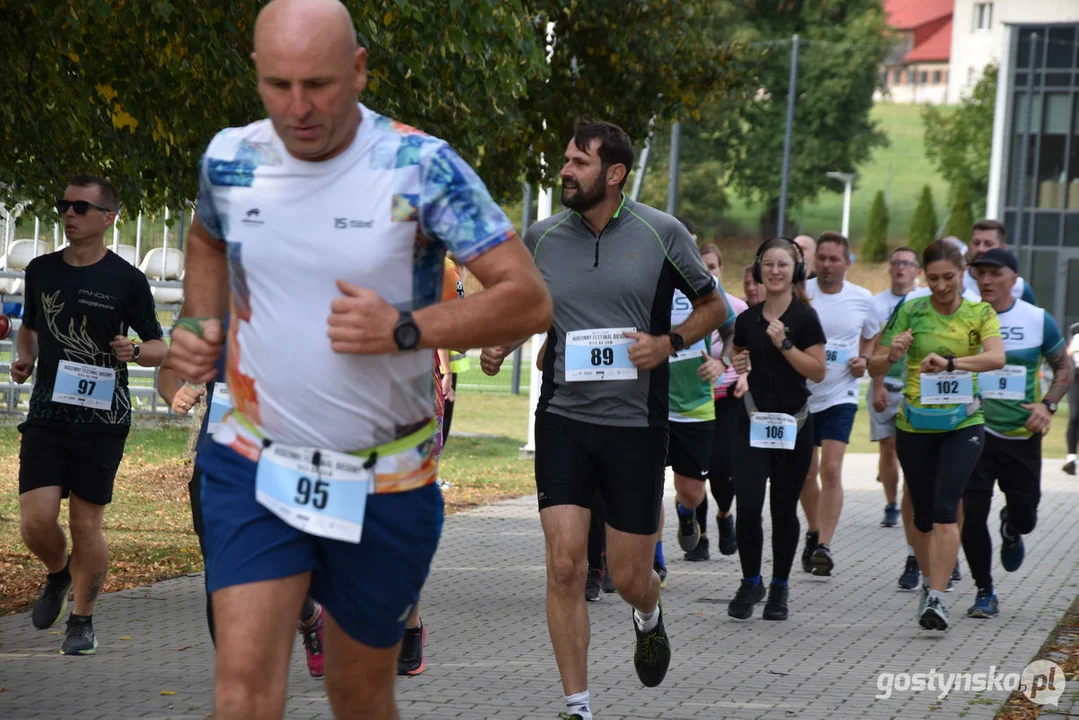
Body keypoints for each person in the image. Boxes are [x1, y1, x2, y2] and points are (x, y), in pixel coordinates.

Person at [164, 1, 552, 717]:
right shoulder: (232, 158)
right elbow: (207, 239)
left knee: (358, 694)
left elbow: (528, 300)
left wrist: (405, 327)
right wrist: (200, 316)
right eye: (278, 85)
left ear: (360, 69)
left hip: (385, 480)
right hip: (254, 461)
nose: (298, 107)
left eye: (319, 83)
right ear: (255, 74)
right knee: (243, 685)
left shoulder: (419, 167)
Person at [481, 121, 726, 719]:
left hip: (636, 425)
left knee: (628, 573)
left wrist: (668, 342)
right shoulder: (541, 237)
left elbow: (713, 303)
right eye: (565, 160)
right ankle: (578, 704)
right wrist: (505, 343)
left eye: (579, 163)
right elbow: (531, 308)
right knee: (565, 562)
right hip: (563, 416)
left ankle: (648, 613)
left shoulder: (661, 232)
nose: (565, 170)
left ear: (614, 174)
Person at [14, 175, 167, 655]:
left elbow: (159, 347)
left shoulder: (127, 279)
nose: (69, 214)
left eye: (81, 207)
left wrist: (136, 349)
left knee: (86, 525)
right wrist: (26, 357)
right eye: (65, 205)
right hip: (47, 415)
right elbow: (29, 328)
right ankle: (58, 574)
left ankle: (82, 619)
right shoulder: (41, 269)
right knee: (35, 523)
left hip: (102, 419)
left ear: (108, 217)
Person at [157, 348, 328, 679]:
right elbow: (170, 365)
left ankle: (308, 615)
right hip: (218, 461)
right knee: (219, 572)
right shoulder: (216, 307)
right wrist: (174, 392)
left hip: (283, 458)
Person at [870, 239, 1004, 632]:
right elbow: (873, 363)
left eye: (949, 277)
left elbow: (997, 357)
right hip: (915, 425)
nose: (942, 286)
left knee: (948, 508)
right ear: (923, 278)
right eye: (933, 279)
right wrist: (893, 354)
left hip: (963, 423)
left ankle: (938, 597)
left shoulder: (979, 311)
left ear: (963, 272)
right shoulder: (911, 309)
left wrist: (950, 362)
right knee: (923, 514)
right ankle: (930, 580)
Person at [962, 248, 1071, 618]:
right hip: (973, 430)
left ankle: (1012, 527)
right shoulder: (963, 317)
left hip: (1020, 435)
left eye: (994, 273)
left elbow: (1064, 369)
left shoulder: (1037, 319)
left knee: (1026, 515)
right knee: (972, 513)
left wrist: (1047, 405)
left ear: (1013, 278)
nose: (986, 280)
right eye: (980, 273)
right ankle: (984, 590)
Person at [728, 237, 826, 621]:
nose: (774, 271)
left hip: (794, 424)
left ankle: (780, 587)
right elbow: (737, 351)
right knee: (749, 505)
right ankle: (751, 580)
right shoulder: (747, 318)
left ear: (796, 271)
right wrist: (736, 361)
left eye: (783, 264)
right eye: (767, 264)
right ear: (758, 270)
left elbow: (817, 370)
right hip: (752, 421)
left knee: (783, 510)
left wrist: (786, 344)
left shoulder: (804, 318)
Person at [798, 232, 879, 577]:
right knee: (806, 472)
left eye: (835, 259)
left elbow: (873, 334)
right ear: (814, 262)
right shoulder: (802, 294)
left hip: (841, 394)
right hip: (803, 395)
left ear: (848, 263)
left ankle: (824, 546)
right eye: (823, 259)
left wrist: (865, 358)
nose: (828, 265)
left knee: (830, 469)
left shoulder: (863, 299)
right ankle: (814, 529)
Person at [869, 247, 925, 590]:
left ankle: (946, 554)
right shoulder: (881, 304)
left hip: (924, 395)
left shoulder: (933, 303)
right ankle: (892, 505)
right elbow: (874, 347)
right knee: (890, 451)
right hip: (888, 386)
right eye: (896, 262)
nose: (900, 268)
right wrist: (876, 384)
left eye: (907, 263)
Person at [688, 242, 748, 561]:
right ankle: (701, 537)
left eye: (711, 267)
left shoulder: (736, 307)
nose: (706, 272)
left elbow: (747, 352)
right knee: (694, 472)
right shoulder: (683, 306)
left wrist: (735, 370)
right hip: (690, 400)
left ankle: (725, 516)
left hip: (726, 398)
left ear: (721, 270)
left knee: (722, 468)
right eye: (700, 266)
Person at [963, 220, 1036, 303]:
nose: (980, 249)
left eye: (988, 244)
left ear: (1002, 248)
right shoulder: (957, 282)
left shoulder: (1020, 288)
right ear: (969, 246)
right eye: (976, 243)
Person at [1065, 322, 1079, 476]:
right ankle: (1071, 458)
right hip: (1076, 379)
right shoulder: (1076, 335)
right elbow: (1068, 354)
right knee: (1074, 417)